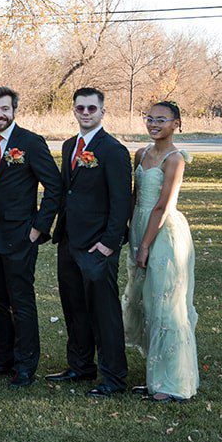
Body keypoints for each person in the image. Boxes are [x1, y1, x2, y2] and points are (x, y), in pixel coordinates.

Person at [49, 87, 133, 397]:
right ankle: (81, 365)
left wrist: (109, 243)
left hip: (98, 245)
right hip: (69, 241)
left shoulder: (113, 150)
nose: (86, 113)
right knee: (74, 307)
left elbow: (122, 201)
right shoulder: (71, 145)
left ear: (102, 112)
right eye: (80, 108)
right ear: (74, 110)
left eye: (91, 109)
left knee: (104, 312)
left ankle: (113, 376)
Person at [0, 86, 61, 388]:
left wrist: (38, 228)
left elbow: (54, 187)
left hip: (20, 235)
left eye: (4, 109)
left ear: (14, 110)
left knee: (21, 300)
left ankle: (25, 365)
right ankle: (3, 358)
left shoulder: (30, 143)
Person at [123, 101, 199, 402]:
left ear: (176, 123)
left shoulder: (175, 158)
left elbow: (163, 205)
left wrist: (145, 245)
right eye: (150, 118)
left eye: (162, 120)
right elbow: (135, 194)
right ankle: (156, 375)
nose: (154, 124)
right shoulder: (141, 154)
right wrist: (128, 232)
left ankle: (172, 383)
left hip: (163, 233)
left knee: (167, 306)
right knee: (148, 304)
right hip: (138, 226)